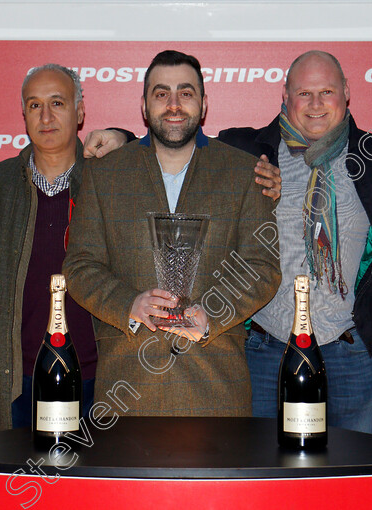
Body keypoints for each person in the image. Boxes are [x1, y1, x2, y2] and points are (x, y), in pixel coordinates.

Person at [83, 50, 372, 430]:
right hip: (264, 352)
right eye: (304, 93)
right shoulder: (248, 150)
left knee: (348, 486)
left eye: (327, 92)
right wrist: (122, 137)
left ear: (346, 96)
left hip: (347, 355)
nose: (316, 104)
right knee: (263, 485)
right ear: (286, 97)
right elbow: (176, 138)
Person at [63, 50, 281, 416]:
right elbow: (80, 265)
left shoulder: (247, 173)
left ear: (204, 103)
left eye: (186, 92)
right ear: (144, 106)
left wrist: (212, 314)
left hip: (217, 390)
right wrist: (128, 304)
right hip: (126, 389)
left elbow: (262, 266)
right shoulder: (103, 175)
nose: (174, 105)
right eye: (161, 93)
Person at [0, 64, 137, 431]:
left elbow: (168, 153)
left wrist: (126, 137)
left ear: (81, 112)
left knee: (92, 489)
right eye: (34, 105)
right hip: (18, 380)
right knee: (25, 487)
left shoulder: (113, 178)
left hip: (99, 380)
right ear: (23, 114)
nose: (46, 116)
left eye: (58, 103)